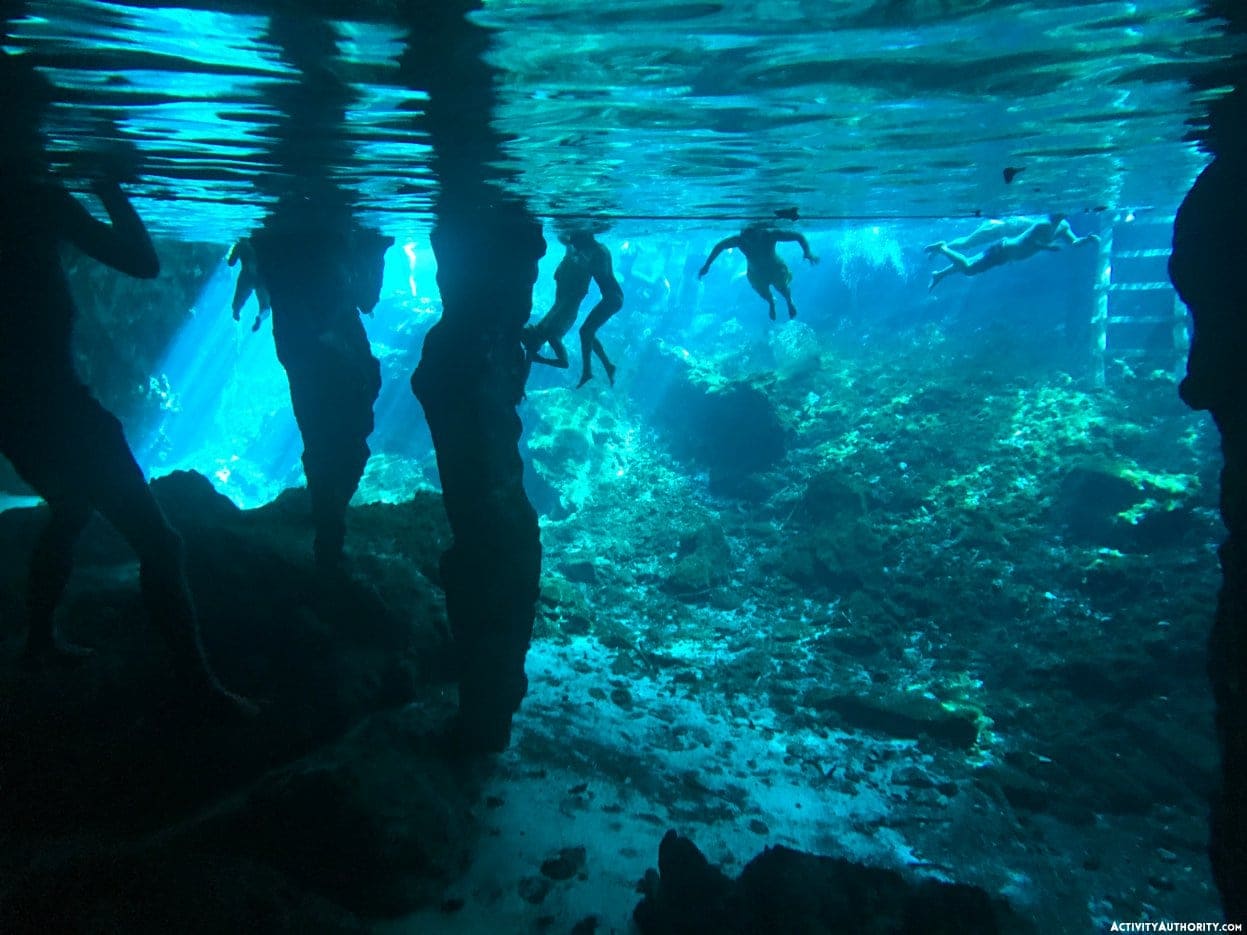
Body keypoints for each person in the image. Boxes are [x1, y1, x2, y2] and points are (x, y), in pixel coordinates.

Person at [0, 169, 252, 715]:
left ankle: (39, 641)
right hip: (63, 411)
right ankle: (198, 687)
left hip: (17, 413)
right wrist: (108, 183)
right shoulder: (38, 198)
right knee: (162, 545)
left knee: (69, 510)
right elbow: (143, 261)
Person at [523, 230, 623, 387]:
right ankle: (606, 366)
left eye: (576, 242)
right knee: (588, 332)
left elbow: (590, 268)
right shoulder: (599, 250)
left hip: (612, 299)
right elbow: (530, 354)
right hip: (611, 298)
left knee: (586, 332)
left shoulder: (597, 254)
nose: (575, 245)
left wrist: (574, 256)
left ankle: (588, 371)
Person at [926, 214, 1100, 290]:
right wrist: (1047, 247)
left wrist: (1087, 240)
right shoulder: (1043, 225)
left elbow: (1074, 242)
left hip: (1007, 253)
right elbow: (1029, 242)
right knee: (969, 268)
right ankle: (942, 248)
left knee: (972, 263)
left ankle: (939, 274)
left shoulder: (1063, 227)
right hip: (1004, 250)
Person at [698, 225, 819, 320]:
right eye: (747, 237)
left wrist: (808, 252)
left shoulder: (770, 235)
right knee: (764, 293)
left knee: (783, 287)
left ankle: (789, 301)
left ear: (759, 231)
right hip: (756, 274)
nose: (750, 240)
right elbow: (720, 246)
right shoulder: (740, 240)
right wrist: (707, 264)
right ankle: (771, 302)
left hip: (775, 268)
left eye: (753, 237)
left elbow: (798, 236)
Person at [226, 237, 271, 332]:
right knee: (265, 306)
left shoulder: (240, 245)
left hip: (246, 275)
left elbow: (231, 263)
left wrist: (230, 253)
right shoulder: (263, 242)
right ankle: (260, 317)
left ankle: (236, 313)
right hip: (260, 274)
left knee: (237, 304)